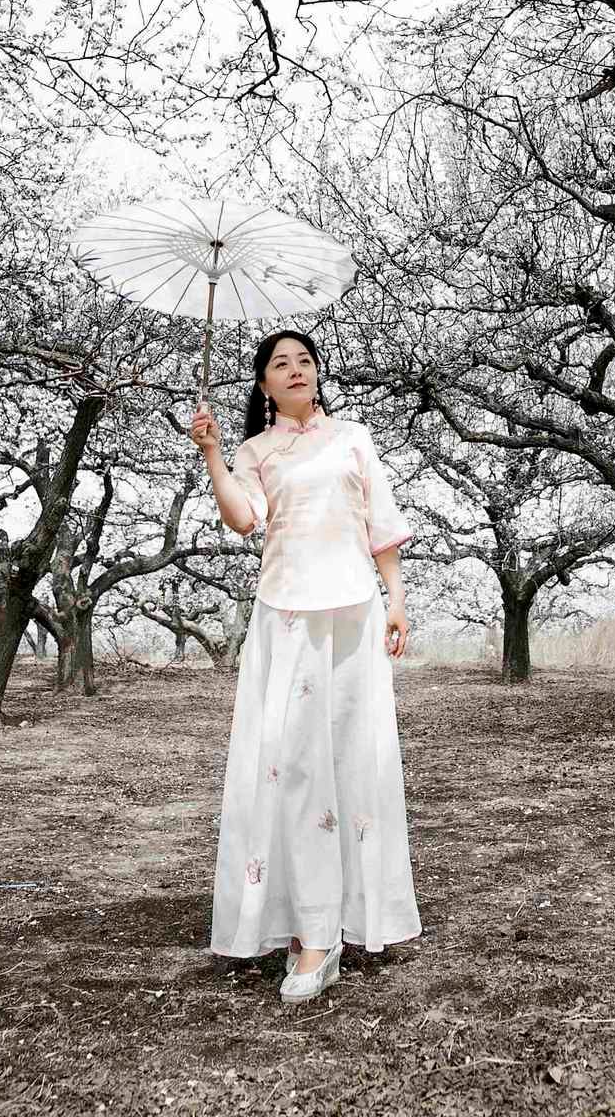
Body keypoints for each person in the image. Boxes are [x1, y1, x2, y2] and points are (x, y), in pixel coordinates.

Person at [190, 328, 422, 1003]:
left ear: (318, 374)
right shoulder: (255, 450)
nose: (294, 370)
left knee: (353, 760)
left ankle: (353, 922)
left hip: (353, 614)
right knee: (291, 766)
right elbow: (244, 520)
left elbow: (379, 523)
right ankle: (306, 931)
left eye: (304, 361)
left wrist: (397, 601)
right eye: (278, 364)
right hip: (287, 617)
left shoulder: (354, 438)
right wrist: (212, 457)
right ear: (262, 385)